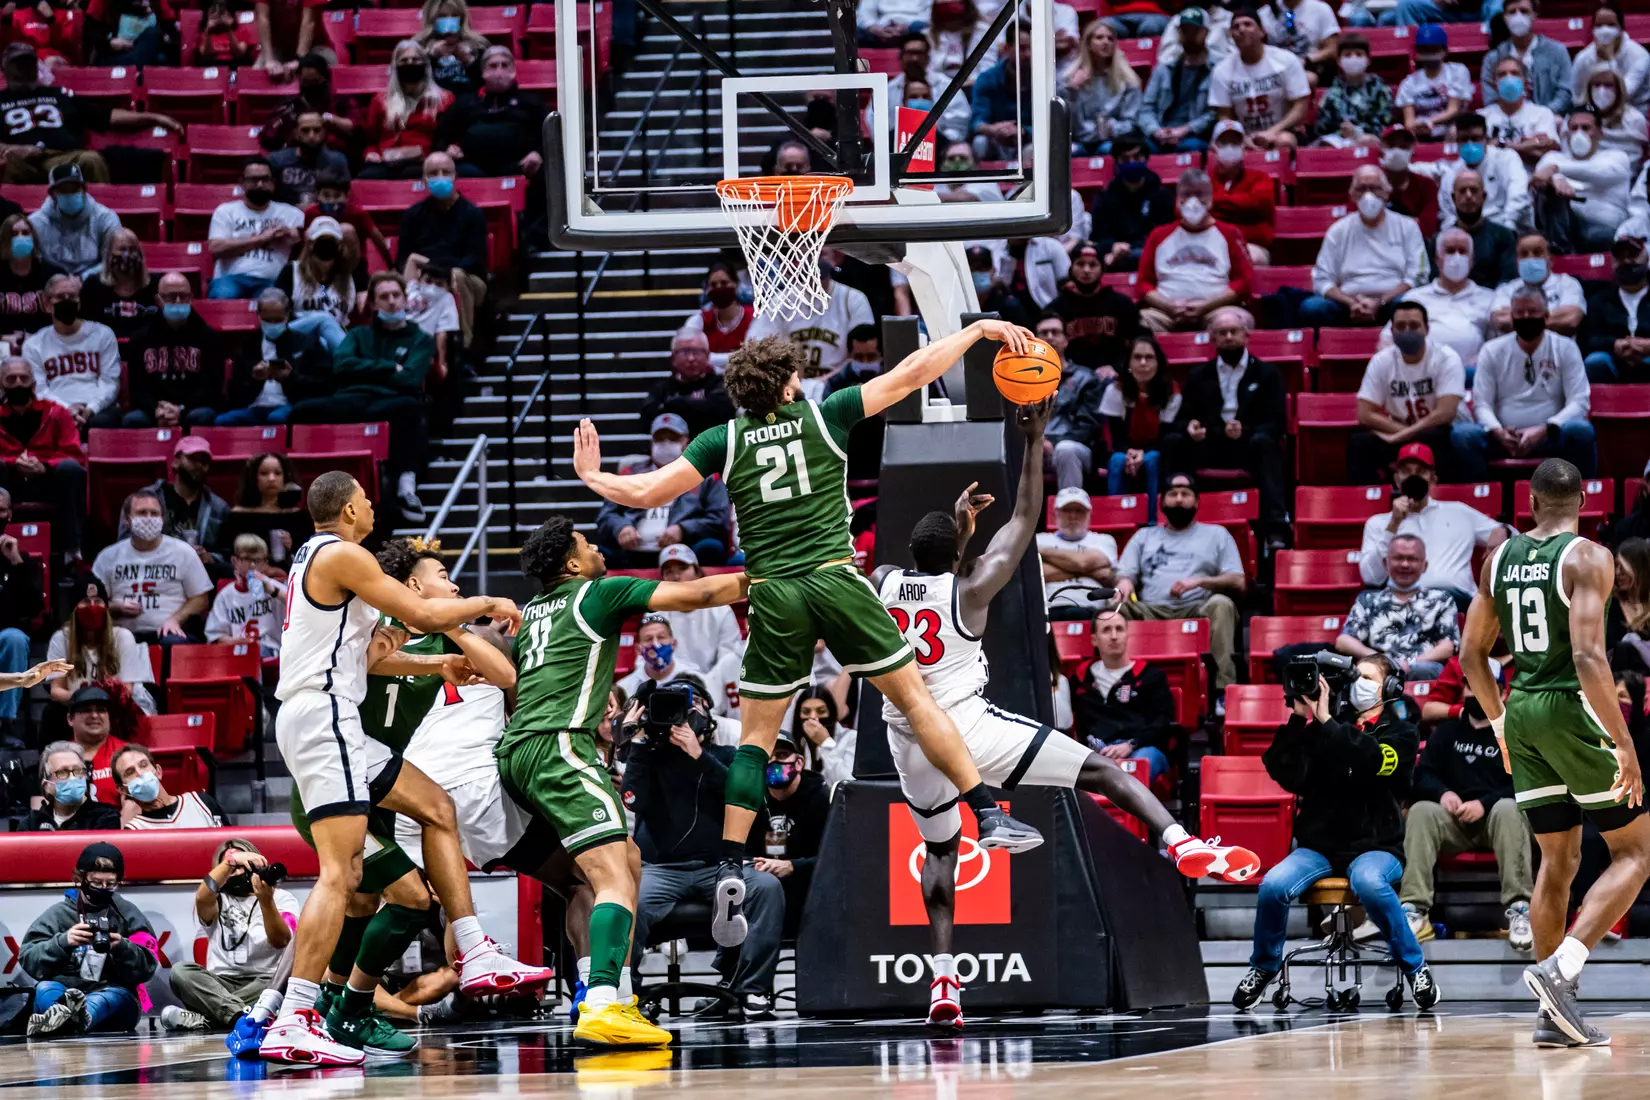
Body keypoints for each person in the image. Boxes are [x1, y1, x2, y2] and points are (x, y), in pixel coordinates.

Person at [574, 322, 1051, 951]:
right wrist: (979, 331)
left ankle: (729, 865)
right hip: (833, 577)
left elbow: (645, 491)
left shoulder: (724, 439)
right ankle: (986, 810)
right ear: (789, 382)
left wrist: (594, 477)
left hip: (772, 590)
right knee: (915, 701)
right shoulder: (829, 414)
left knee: (753, 741)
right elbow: (913, 374)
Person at [879, 405, 1252, 1028]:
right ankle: (1181, 842)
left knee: (940, 849)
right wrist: (1032, 441)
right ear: (961, 554)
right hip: (966, 729)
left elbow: (927, 568)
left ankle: (944, 982)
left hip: (909, 743)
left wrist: (955, 536)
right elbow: (1026, 520)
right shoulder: (971, 590)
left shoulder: (884, 579)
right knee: (1102, 775)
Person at [260, 471, 536, 1065]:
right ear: (349, 508)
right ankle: (295, 1015)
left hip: (337, 721)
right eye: (366, 498)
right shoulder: (341, 554)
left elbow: (368, 658)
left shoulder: (326, 561)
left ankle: (474, 948)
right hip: (322, 717)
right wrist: (489, 602)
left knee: (437, 807)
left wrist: (435, 668)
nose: (372, 505)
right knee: (344, 874)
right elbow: (422, 611)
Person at [495, 516, 750, 1045]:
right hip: (559, 745)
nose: (598, 548)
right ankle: (602, 1003)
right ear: (571, 563)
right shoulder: (597, 594)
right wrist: (773, 577)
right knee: (613, 874)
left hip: (519, 750)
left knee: (619, 864)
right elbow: (698, 593)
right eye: (587, 545)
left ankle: (620, 993)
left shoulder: (536, 610)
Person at [1462, 458, 1650, 1047]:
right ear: (1582, 505)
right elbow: (1592, 658)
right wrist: (1625, 743)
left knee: (1557, 862)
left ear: (1531, 504)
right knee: (1638, 852)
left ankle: (1552, 1014)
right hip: (1571, 705)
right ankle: (1561, 967)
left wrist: (1499, 726)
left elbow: (1472, 656)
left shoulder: (1498, 560)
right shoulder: (1590, 556)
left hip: (1520, 711)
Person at [1231, 655, 1439, 1012]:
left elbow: (1371, 759)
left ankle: (1414, 967)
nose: (1358, 680)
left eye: (1368, 676)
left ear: (1388, 687)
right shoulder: (1325, 727)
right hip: (1320, 847)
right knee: (1273, 886)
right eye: (1355, 674)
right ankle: (1263, 967)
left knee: (1371, 883)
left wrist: (1326, 721)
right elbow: (1283, 771)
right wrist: (1300, 717)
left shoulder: (1402, 732)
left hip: (1376, 846)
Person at [622, 674, 783, 1021]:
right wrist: (635, 741)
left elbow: (745, 797)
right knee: (626, 901)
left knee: (767, 889)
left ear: (707, 713)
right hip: (662, 870)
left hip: (721, 867)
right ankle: (628, 995)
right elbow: (632, 801)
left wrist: (699, 755)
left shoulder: (727, 755)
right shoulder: (648, 757)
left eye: (688, 705)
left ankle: (750, 989)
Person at [1400, 666, 1534, 950]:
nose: (1476, 692)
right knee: (1422, 810)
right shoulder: (1447, 732)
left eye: (1485, 686)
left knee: (1509, 808)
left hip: (1495, 821)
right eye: (1471, 687)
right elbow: (1423, 775)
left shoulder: (1514, 733)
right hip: (1453, 820)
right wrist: (1443, 793)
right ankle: (1415, 910)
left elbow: (1525, 783)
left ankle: (1521, 909)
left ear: (1502, 693)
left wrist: (1484, 804)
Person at [288, 272, 434, 522]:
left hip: (391, 402)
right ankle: (294, 484)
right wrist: (389, 368)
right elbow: (341, 365)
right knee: (300, 411)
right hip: (350, 399)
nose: (391, 301)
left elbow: (409, 379)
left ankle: (405, 488)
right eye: (384, 296)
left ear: (405, 299)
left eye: (396, 295)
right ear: (374, 304)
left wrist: (363, 368)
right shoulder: (358, 335)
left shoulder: (421, 339)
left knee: (410, 408)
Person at [1116, 473, 1246, 692]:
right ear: (1162, 502)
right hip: (1151, 610)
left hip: (1197, 608)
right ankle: (1119, 685)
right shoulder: (1144, 537)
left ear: (1196, 502)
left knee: (1222, 604)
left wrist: (1200, 581)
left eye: (1185, 494)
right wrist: (1125, 582)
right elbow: (1123, 573)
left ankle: (1224, 691)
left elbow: (1238, 580)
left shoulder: (1216, 534)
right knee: (1114, 610)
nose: (1178, 499)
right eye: (1173, 494)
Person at [1168, 306, 1288, 533]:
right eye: (1222, 333)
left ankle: (1276, 527)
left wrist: (1247, 430)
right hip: (1211, 443)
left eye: (1234, 331)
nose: (1229, 337)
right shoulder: (1198, 375)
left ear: (1246, 335)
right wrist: (1190, 427)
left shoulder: (1268, 373)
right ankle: (1175, 516)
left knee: (1265, 444)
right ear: (1213, 339)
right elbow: (1182, 419)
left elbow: (1277, 421)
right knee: (1174, 441)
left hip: (1249, 445)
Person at [1457, 287, 1595, 481]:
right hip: (1504, 437)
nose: (1526, 317)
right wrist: (1498, 431)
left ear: (1546, 316)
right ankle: (1483, 500)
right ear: (1512, 318)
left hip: (1550, 435)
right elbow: (1482, 404)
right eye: (1520, 313)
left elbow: (1579, 402)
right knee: (1464, 435)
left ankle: (1581, 499)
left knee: (1581, 431)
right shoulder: (1492, 350)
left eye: (1532, 312)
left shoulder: (1566, 348)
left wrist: (1545, 429)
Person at [19, 841, 156, 1036]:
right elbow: (27, 956)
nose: (103, 888)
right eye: (96, 882)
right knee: (45, 988)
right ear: (80, 878)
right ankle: (68, 1018)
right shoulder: (59, 914)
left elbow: (149, 966)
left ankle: (74, 1019)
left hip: (112, 993)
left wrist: (123, 948)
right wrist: (63, 942)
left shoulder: (128, 914)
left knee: (109, 997)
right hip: (65, 989)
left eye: (110, 884)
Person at [0, 42, 181, 185]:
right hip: (21, 162)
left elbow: (107, 117)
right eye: (18, 64)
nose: (24, 68)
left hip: (64, 157)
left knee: (91, 159)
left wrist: (154, 117)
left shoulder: (59, 94)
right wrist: (9, 150)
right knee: (6, 165)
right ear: (5, 69)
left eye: (28, 62)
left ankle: (101, 223)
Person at [166, 838, 299, 1031]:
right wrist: (230, 861)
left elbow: (281, 940)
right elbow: (202, 897)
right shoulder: (216, 899)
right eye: (232, 868)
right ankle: (244, 1017)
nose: (237, 872)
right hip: (220, 983)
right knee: (181, 972)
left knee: (283, 984)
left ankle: (209, 1019)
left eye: (242, 866)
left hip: (264, 981)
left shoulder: (283, 899)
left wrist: (266, 901)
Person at [1359, 442, 1507, 602]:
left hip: (1455, 598)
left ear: (1433, 478)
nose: (1413, 477)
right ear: (1396, 479)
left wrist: (1503, 531)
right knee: (1365, 601)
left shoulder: (1459, 512)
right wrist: (1393, 526)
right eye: (1406, 472)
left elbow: (1516, 538)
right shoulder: (1379, 523)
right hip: (1403, 602)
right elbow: (1371, 578)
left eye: (1420, 471)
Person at [1349, 301, 1466, 484]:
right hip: (1400, 430)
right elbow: (1364, 414)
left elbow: (1445, 413)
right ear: (1392, 331)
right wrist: (1405, 433)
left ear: (1427, 329)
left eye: (1414, 326)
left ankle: (1444, 499)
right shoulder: (1382, 361)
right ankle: (1372, 502)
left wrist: (1404, 435)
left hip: (1438, 431)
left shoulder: (1446, 358)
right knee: (1359, 443)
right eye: (1401, 326)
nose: (1407, 331)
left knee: (1440, 439)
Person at [594, 414, 732, 568]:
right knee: (595, 555)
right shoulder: (630, 474)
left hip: (685, 551)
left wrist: (683, 529)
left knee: (710, 547)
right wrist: (621, 527)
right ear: (651, 441)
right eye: (660, 439)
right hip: (632, 551)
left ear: (686, 441)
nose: (666, 443)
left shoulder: (707, 476)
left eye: (673, 438)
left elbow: (719, 519)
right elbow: (606, 515)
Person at [1301, 167, 1427, 330]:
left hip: (1392, 301)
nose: (1369, 195)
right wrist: (1352, 303)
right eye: (1362, 189)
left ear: (1386, 193)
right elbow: (1322, 279)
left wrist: (1380, 302)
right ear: (1353, 195)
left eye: (1375, 188)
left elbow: (1418, 275)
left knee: (1412, 304)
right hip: (1347, 304)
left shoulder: (1407, 226)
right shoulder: (1338, 230)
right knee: (1311, 307)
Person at [1070, 606, 1180, 782]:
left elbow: (1163, 723)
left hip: (1141, 749)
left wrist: (1130, 744)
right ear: (1094, 640)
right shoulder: (1080, 679)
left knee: (1136, 769)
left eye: (1119, 629)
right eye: (1106, 630)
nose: (1114, 636)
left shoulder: (1151, 676)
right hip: (1095, 753)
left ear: (1127, 635)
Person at [92, 489, 213, 642]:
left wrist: (176, 619)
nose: (149, 518)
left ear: (162, 519)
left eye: (154, 513)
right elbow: (92, 603)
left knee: (174, 642)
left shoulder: (183, 552)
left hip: (168, 633)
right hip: (121, 635)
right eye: (142, 513)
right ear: (127, 519)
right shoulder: (107, 556)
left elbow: (200, 598)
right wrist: (116, 608)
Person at [395, 152, 488, 347]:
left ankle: (462, 345)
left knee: (457, 276)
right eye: (433, 173)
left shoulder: (473, 214)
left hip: (467, 278)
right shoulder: (413, 215)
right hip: (422, 275)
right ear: (424, 179)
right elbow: (403, 258)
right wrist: (422, 274)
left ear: (455, 176)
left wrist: (442, 274)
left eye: (445, 172)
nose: (440, 177)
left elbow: (475, 258)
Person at [1336, 534, 1460, 679]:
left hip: (1424, 671)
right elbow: (1343, 642)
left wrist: (1413, 663)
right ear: (1385, 563)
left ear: (1424, 566)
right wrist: (1384, 661)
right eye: (1398, 558)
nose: (1405, 564)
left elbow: (1448, 646)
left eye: (1412, 559)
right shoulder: (1368, 599)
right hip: (1379, 671)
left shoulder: (1441, 600)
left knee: (1428, 670)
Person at [0, 355, 87, 562]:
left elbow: (75, 454)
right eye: (11, 379)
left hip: (50, 481)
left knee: (71, 470)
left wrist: (45, 466)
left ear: (34, 383)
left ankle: (72, 553)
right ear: (1, 385)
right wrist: (14, 463)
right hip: (10, 483)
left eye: (23, 378)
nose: (18, 383)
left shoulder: (57, 413)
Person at [748, 259, 876, 390]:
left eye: (821, 278)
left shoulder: (852, 299)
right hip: (793, 382)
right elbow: (755, 343)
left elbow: (865, 350)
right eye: (811, 278)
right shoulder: (782, 301)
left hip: (840, 381)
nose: (816, 283)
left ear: (829, 276)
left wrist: (826, 381)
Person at [123, 274, 230, 429]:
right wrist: (156, 409)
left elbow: (213, 386)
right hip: (155, 409)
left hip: (193, 408)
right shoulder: (140, 339)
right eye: (172, 297)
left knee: (201, 416)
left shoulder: (209, 336)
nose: (179, 302)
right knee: (133, 420)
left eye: (183, 296)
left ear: (191, 298)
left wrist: (181, 409)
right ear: (159, 300)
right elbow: (137, 387)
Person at [750, 730, 829, 934]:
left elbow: (833, 859)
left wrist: (793, 866)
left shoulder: (822, 797)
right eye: (768, 756)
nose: (774, 762)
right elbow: (742, 852)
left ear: (799, 763)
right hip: (764, 885)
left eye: (782, 756)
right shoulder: (752, 798)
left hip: (809, 886)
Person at [218, 287, 334, 426]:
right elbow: (234, 395)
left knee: (276, 419)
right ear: (258, 315)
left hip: (289, 405)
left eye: (277, 320)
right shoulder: (247, 346)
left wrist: (290, 378)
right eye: (268, 320)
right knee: (223, 421)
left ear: (287, 315)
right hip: (254, 406)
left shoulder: (306, 343)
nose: (273, 325)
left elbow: (324, 386)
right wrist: (254, 378)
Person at [23, 275, 122, 432]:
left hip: (98, 410)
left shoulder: (103, 334)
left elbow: (110, 382)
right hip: (56, 409)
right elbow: (40, 389)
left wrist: (90, 409)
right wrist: (67, 409)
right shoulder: (34, 344)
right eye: (61, 297)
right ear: (47, 304)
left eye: (72, 296)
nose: (67, 300)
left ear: (79, 302)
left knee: (106, 422)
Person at [434, 46, 549, 179]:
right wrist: (448, 149)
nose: (499, 71)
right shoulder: (465, 103)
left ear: (513, 70)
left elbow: (551, 134)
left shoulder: (531, 102)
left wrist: (538, 153)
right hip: (473, 168)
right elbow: (441, 136)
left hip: (520, 166)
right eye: (493, 66)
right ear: (483, 72)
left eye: (505, 65)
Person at [47, 579, 156, 717]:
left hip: (113, 708)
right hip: (76, 706)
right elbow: (56, 691)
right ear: (74, 608)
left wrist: (96, 704)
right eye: (86, 601)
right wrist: (86, 701)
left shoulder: (123, 637)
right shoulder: (60, 639)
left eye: (98, 601)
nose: (92, 607)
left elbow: (126, 691)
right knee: (51, 714)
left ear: (106, 608)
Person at [1531, 108, 1633, 255]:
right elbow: (1539, 177)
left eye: (1586, 128)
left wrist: (1554, 170)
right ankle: (1561, 250)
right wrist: (1556, 179)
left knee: (1599, 236)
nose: (1579, 133)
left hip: (1604, 229)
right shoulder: (1552, 157)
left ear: (1600, 132)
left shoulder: (1617, 157)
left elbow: (1597, 172)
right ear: (1567, 132)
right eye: (1574, 128)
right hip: (1564, 225)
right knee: (1548, 190)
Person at [1208, 7, 1310, 152]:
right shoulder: (1222, 70)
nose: (1241, 29)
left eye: (1247, 24)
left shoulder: (1286, 60)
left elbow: (1300, 106)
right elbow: (1224, 114)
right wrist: (1241, 138)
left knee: (1284, 141)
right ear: (1231, 36)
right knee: (1217, 147)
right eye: (1236, 27)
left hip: (1282, 130)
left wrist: (1273, 132)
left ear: (1262, 31)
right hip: (1244, 135)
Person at [1393, 230, 1498, 368]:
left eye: (1462, 251)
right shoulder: (1414, 298)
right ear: (1437, 259)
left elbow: (1498, 345)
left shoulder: (1490, 298)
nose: (1456, 257)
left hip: (1472, 374)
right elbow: (1388, 341)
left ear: (1471, 260)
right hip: (1421, 374)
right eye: (1450, 251)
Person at [1099, 335, 1182, 510]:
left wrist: (1142, 453)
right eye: (1137, 357)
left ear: (1158, 362)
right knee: (1116, 460)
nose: (1143, 363)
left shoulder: (1171, 392)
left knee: (1152, 460)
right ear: (1128, 363)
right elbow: (1114, 435)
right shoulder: (1115, 390)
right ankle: (1117, 519)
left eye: (1149, 357)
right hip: (1124, 449)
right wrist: (1130, 453)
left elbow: (1167, 435)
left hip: (1157, 449)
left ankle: (1154, 520)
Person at [207, 158, 306, 300]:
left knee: (274, 303)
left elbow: (310, 248)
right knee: (224, 295)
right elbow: (216, 248)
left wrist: (293, 235)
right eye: (253, 180)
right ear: (242, 183)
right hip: (231, 279)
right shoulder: (226, 211)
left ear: (273, 182)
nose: (260, 185)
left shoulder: (292, 214)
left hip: (272, 281)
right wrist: (263, 238)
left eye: (265, 179)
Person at [361, 42, 454, 179]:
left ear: (425, 65)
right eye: (404, 60)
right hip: (386, 161)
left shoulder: (444, 99)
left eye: (416, 60)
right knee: (367, 177)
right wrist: (371, 152)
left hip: (425, 161)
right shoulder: (380, 101)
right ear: (395, 67)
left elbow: (448, 137)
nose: (410, 64)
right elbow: (371, 138)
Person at [1431, 113, 1533, 232]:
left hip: (1506, 224)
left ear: (1486, 139)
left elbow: (1518, 195)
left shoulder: (1506, 158)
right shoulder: (1451, 173)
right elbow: (1447, 214)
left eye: (1475, 139)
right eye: (1464, 140)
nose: (1470, 144)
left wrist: (1506, 226)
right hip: (1467, 231)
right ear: (1457, 142)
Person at [1090, 134, 1175, 272]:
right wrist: (1113, 245)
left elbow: (1165, 232)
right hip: (1115, 255)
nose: (1131, 163)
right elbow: (1100, 236)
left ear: (1146, 159)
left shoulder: (1162, 195)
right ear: (1117, 162)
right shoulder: (1104, 198)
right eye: (1125, 159)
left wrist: (1132, 247)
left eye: (1136, 157)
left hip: (1153, 252)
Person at [1137, 8, 1215, 154]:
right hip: (1162, 132)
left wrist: (1185, 130)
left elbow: (1214, 114)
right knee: (1139, 149)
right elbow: (1146, 109)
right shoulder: (1164, 68)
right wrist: (1156, 131)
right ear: (1178, 33)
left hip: (1196, 135)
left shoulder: (1216, 69)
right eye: (1185, 31)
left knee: (1190, 147)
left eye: (1194, 31)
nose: (1189, 36)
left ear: (1206, 32)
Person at [1480, 0, 1574, 119]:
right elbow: (1491, 99)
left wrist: (1543, 115)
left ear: (1534, 14)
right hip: (1507, 120)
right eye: (1512, 12)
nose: (1518, 17)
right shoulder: (1493, 58)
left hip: (1550, 118)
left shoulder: (1558, 51)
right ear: (1504, 17)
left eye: (1524, 11)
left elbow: (1565, 93)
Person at [656, 544, 742, 674]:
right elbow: (647, 662)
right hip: (668, 688)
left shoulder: (721, 611)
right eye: (669, 572)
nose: (676, 577)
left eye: (682, 568)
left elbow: (728, 661)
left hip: (713, 687)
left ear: (697, 573)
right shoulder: (656, 615)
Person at [273, 216, 355, 351]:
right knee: (323, 319)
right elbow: (278, 316)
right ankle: (351, 362)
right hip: (296, 336)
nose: (326, 246)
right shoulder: (291, 271)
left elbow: (344, 321)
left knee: (324, 340)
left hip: (330, 341)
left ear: (339, 246)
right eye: (322, 241)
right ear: (310, 244)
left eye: (331, 242)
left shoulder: (346, 278)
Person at [1581, 228, 1650, 383]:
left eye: (1632, 255)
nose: (1626, 261)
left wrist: (1647, 345)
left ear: (1647, 259)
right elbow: (1589, 338)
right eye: (1620, 257)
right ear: (1612, 264)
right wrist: (1615, 343)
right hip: (1613, 358)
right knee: (1595, 362)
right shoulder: (1600, 299)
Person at [1063, 22, 1142, 155]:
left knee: (1106, 149)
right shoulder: (1071, 78)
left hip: (1114, 138)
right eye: (1099, 38)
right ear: (1088, 43)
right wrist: (1073, 91)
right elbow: (1067, 125)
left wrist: (1112, 127)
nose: (1106, 42)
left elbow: (1131, 121)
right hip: (1078, 139)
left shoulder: (1128, 80)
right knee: (1072, 151)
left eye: (1110, 39)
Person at [641, 331, 737, 438]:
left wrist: (673, 404)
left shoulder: (721, 384)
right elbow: (647, 419)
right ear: (673, 358)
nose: (691, 358)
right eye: (684, 352)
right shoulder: (661, 389)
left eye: (697, 352)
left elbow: (720, 412)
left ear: (708, 356)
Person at [225, 452, 312, 569]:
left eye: (277, 473)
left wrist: (293, 545)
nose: (271, 479)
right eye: (264, 473)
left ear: (285, 477)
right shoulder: (237, 516)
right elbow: (226, 554)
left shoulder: (299, 516)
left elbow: (312, 554)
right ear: (254, 478)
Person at [1038, 487, 1118, 613]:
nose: (1073, 516)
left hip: (1091, 608)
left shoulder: (1104, 540)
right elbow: (1041, 575)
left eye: (1079, 510)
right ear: (1056, 513)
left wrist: (1041, 551)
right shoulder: (1040, 539)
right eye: (1067, 510)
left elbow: (1083, 563)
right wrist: (1090, 571)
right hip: (1049, 607)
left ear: (1089, 513)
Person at [1492, 233, 1587, 337]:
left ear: (1550, 259)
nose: (1530, 258)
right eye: (1524, 254)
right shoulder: (1505, 290)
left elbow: (1570, 320)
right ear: (1516, 261)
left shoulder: (1567, 283)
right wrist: (1551, 317)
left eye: (1537, 253)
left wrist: (1520, 320)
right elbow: (1501, 320)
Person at [205, 534, 286, 654]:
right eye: (246, 559)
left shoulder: (273, 588)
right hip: (236, 651)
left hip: (270, 650)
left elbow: (298, 604)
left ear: (265, 563)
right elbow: (216, 637)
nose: (252, 565)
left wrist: (273, 591)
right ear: (234, 561)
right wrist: (236, 642)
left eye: (258, 560)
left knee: (256, 651)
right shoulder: (225, 596)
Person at [1209, 120, 1276, 264]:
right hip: (1209, 244)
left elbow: (1259, 203)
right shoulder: (1203, 180)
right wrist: (1241, 209)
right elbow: (1186, 209)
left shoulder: (1260, 178)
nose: (1229, 147)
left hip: (1250, 244)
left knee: (1250, 257)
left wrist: (1214, 202)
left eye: (1235, 143)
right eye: (1224, 143)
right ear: (1213, 148)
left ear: (1244, 149)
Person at [115, 743, 225, 829]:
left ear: (158, 771)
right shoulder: (134, 831)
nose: (139, 773)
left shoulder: (202, 802)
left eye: (143, 765)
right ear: (122, 790)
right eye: (130, 772)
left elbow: (234, 845)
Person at [970, 20, 1034, 161]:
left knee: (1035, 148)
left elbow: (1050, 124)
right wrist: (994, 129)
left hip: (1029, 140)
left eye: (1032, 48)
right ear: (1006, 48)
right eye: (1022, 48)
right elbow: (977, 122)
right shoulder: (987, 79)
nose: (1028, 54)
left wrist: (1023, 131)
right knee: (979, 143)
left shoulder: (1044, 80)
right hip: (995, 139)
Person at [1314, 35, 1394, 149]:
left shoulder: (1381, 91)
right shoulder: (1331, 94)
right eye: (1347, 55)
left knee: (1365, 141)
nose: (1353, 58)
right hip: (1338, 141)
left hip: (1371, 140)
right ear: (1339, 61)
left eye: (1359, 54)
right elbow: (1321, 128)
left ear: (1368, 60)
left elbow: (1385, 125)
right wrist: (1341, 132)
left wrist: (1358, 131)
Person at [21, 741, 121, 830]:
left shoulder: (105, 817)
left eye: (78, 771)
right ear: (47, 786)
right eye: (63, 772)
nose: (73, 777)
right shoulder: (31, 823)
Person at [1445, 171, 1520, 290]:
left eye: (1474, 190)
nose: (1468, 196)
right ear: (1454, 198)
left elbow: (1508, 282)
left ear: (1484, 197)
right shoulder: (1441, 240)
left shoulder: (1504, 236)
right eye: (1462, 191)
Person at [1483, 55, 1561, 167]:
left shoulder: (1542, 113)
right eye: (1502, 75)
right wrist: (1527, 145)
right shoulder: (1482, 117)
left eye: (1515, 73)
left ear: (1525, 82)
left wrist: (1501, 145)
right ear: (1494, 84)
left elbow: (1545, 152)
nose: (1509, 78)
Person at [1397, 24, 1471, 140]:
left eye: (1434, 49)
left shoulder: (1458, 71)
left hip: (1451, 130)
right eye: (1424, 49)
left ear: (1445, 50)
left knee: (1454, 131)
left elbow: (1453, 109)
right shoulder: (1409, 83)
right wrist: (1422, 125)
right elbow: (1409, 122)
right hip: (1421, 132)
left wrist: (1429, 121)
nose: (1429, 53)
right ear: (1417, 52)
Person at [1571, 2, 1648, 114]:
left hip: (1632, 115)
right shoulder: (1583, 58)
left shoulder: (1640, 56)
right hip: (1593, 116)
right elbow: (1577, 96)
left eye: (1611, 25)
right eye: (1599, 25)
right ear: (1592, 29)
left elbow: (1622, 94)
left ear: (1621, 28)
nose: (1605, 30)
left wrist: (1609, 59)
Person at [680, 262, 754, 372]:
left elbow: (754, 356)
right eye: (713, 285)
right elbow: (689, 354)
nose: (719, 288)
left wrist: (709, 358)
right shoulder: (699, 320)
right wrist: (738, 357)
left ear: (736, 284)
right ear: (707, 289)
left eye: (724, 283)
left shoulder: (754, 317)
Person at [79, 231, 155, 338]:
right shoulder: (93, 285)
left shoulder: (154, 284)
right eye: (122, 249)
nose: (127, 254)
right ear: (109, 254)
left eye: (133, 249)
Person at [268, 112, 350, 210]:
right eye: (305, 131)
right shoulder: (277, 160)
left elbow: (345, 196)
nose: (311, 136)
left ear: (324, 132)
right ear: (296, 134)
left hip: (326, 214)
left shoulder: (337, 160)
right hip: (285, 217)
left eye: (317, 130)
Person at [0, 213, 65, 336]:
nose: (20, 237)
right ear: (5, 240)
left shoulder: (53, 275)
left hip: (45, 344)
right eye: (14, 234)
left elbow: (66, 321)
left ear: (33, 238)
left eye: (25, 233)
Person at [617, 614, 706, 700]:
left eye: (661, 637)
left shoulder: (694, 680)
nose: (656, 644)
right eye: (648, 639)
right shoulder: (625, 688)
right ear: (638, 649)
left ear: (674, 644)